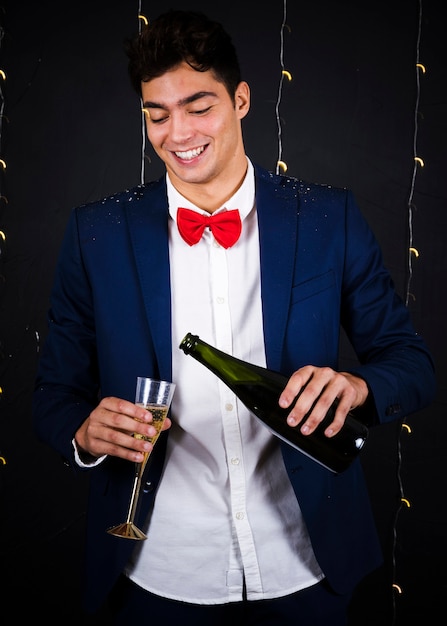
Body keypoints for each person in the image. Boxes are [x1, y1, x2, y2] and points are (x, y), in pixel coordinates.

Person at [33, 9, 436, 626]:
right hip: (156, 571)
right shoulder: (96, 234)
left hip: (307, 564)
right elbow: (53, 395)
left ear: (241, 99)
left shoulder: (329, 218)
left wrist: (357, 386)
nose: (177, 132)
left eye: (199, 106)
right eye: (157, 114)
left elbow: (411, 364)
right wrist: (84, 436)